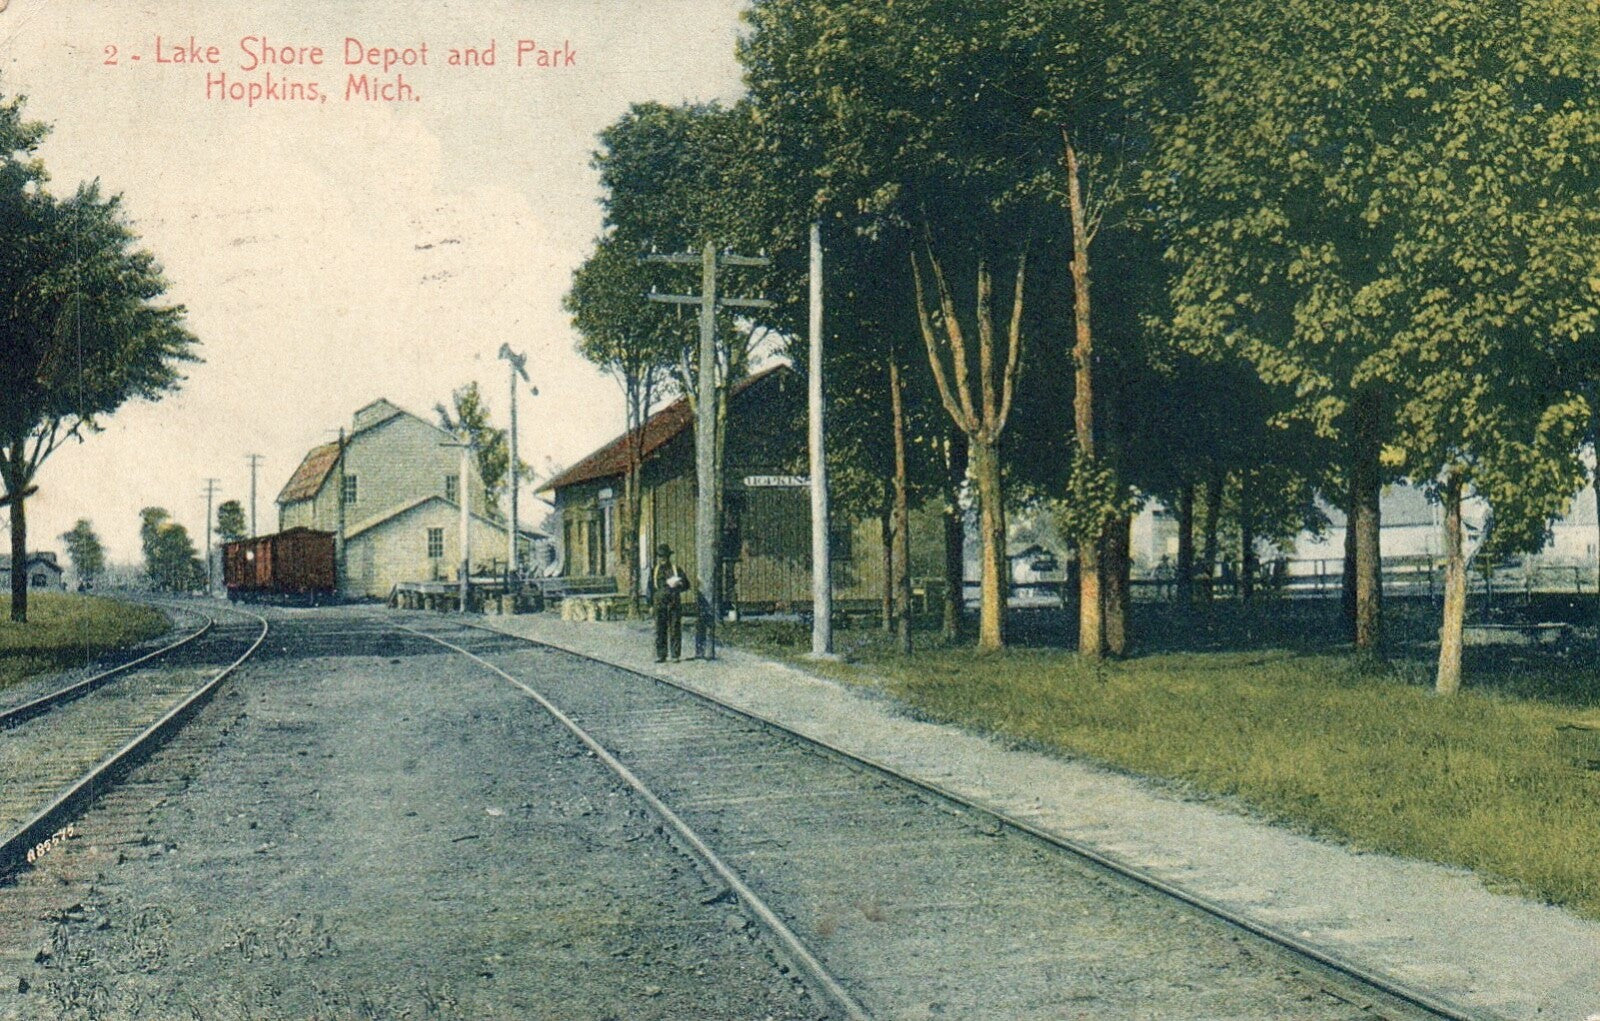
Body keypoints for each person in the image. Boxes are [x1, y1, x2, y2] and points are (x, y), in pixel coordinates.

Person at [650, 543, 687, 662]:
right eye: (660, 556)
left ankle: (675, 655)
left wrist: (680, 584)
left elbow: (687, 584)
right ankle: (661, 654)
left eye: (664, 556)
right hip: (659, 603)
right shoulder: (654, 571)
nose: (662, 559)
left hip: (673, 602)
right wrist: (650, 604)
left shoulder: (676, 569)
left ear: (668, 556)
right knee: (660, 628)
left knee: (675, 628)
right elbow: (649, 588)